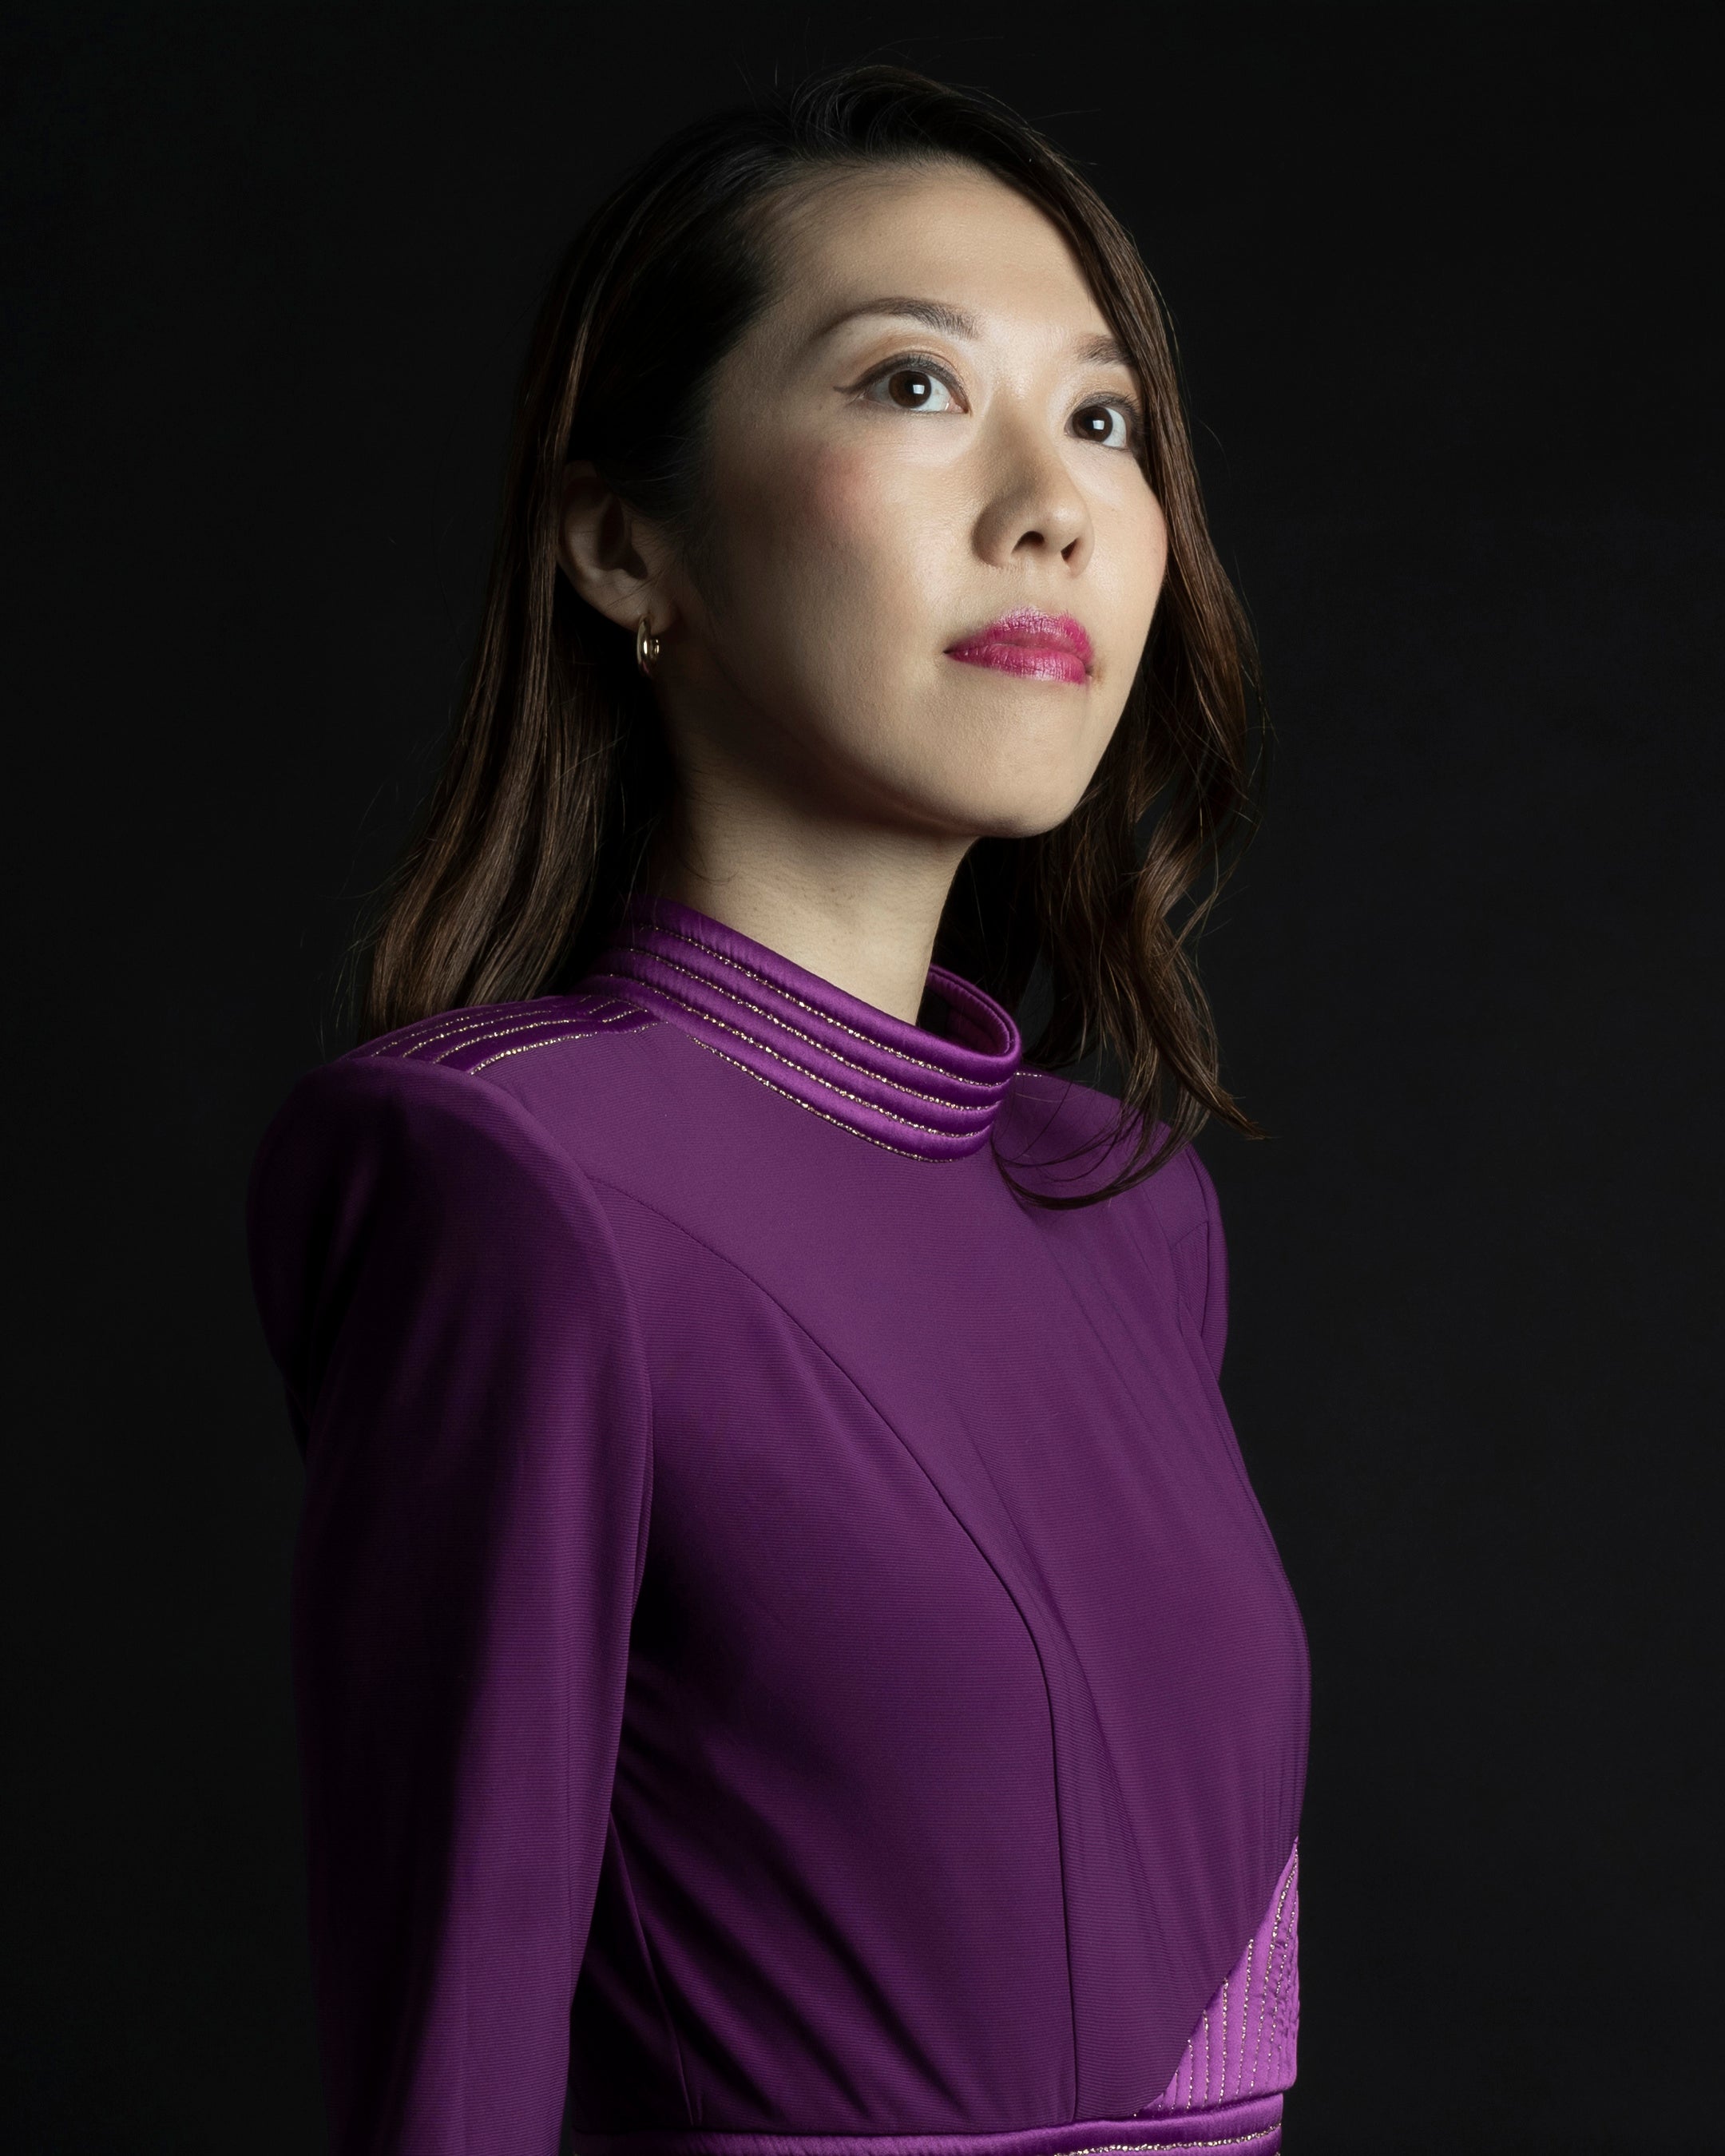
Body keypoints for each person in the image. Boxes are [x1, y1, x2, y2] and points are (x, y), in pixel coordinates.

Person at [248, 65, 1310, 2156]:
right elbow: (448, 2063)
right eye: (916, 387)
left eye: (1107, 420)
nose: (1056, 503)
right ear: (622, 547)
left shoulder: (1129, 1210)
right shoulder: (515, 1182)